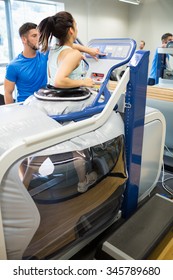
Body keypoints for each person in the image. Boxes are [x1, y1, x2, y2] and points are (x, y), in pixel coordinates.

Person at [4, 22, 102, 104]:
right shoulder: (13, 66)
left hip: (44, 102)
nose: (39, 38)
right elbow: (8, 93)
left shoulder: (44, 53)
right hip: (25, 105)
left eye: (39, 35)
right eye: (34, 36)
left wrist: (89, 50)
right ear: (24, 39)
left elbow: (67, 46)